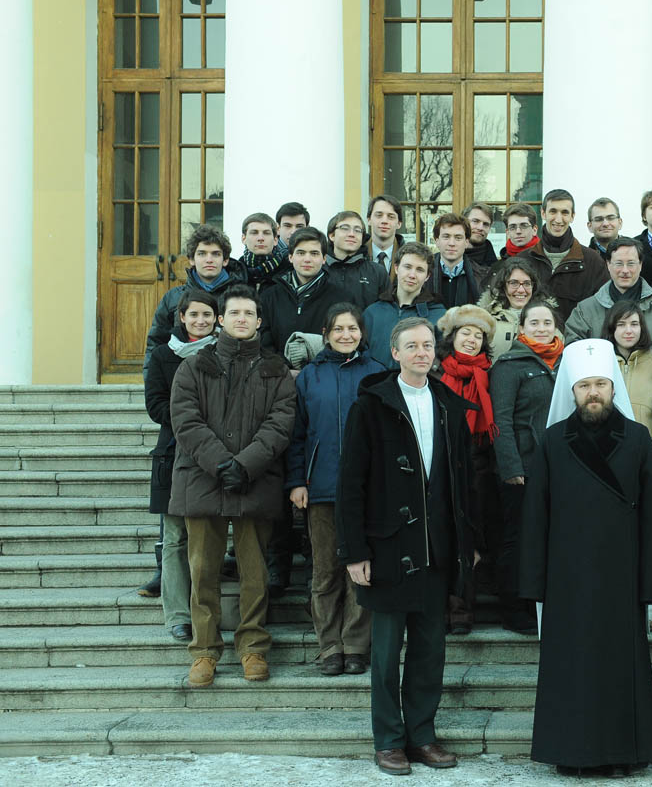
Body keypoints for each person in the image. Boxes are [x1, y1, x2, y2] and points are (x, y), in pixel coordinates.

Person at [519, 338, 652, 776]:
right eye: (584, 386)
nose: (592, 393)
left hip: (621, 573)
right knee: (571, 665)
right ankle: (571, 753)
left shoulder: (637, 438)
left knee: (619, 666)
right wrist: (536, 578)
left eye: (600, 384)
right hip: (567, 575)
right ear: (572, 391)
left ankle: (623, 752)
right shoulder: (553, 441)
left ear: (613, 388)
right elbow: (536, 515)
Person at [336, 317, 477, 776]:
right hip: (387, 549)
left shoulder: (449, 405)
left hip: (437, 547)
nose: (421, 352)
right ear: (394, 353)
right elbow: (350, 483)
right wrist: (354, 551)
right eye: (411, 346)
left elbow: (465, 481)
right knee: (385, 654)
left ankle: (422, 735)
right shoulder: (371, 407)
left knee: (430, 650)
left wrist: (468, 542)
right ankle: (388, 740)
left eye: (427, 345)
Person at [170, 283, 297, 688]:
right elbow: (185, 419)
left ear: (259, 322)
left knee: (254, 573)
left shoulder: (275, 369)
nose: (242, 319)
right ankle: (204, 651)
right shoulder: (194, 367)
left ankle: (253, 646)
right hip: (202, 479)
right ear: (221, 319)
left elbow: (281, 423)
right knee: (203, 571)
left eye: (249, 314)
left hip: (254, 481)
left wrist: (245, 465)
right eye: (235, 313)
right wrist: (220, 462)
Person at [286, 303, 387, 677]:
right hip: (322, 488)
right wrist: (297, 481)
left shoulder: (377, 373)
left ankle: (356, 645)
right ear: (326, 334)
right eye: (339, 329)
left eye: (353, 328)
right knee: (326, 571)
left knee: (359, 569)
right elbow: (297, 434)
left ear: (362, 333)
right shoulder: (309, 377)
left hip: (367, 491)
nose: (347, 335)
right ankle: (330, 646)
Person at [144, 290, 218, 641]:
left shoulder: (225, 353)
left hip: (216, 452)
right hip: (175, 451)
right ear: (182, 317)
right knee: (174, 537)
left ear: (217, 319)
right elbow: (156, 404)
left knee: (210, 538)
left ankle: (207, 610)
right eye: (194, 315)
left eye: (207, 315)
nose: (200, 321)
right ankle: (177, 615)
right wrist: (191, 422)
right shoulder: (163, 355)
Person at [489, 299, 563, 634]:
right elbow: (500, 420)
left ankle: (544, 603)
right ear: (521, 329)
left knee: (549, 539)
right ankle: (513, 609)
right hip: (522, 467)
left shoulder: (564, 362)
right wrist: (510, 467)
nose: (541, 328)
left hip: (556, 468)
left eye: (547, 322)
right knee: (517, 539)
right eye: (534, 323)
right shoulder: (510, 365)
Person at [433, 304, 499, 635]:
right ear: (452, 336)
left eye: (478, 336)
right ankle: (439, 607)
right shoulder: (435, 374)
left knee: (469, 538)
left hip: (477, 465)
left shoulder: (490, 375)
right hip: (440, 462)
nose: (472, 340)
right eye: (465, 333)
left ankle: (462, 609)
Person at [142, 224, 247, 379]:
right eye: (202, 254)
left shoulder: (241, 297)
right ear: (191, 259)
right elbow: (156, 342)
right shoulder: (173, 298)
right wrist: (151, 381)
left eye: (216, 254)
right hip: (180, 380)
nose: (209, 260)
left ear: (225, 260)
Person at [565, 237, 652, 356]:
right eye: (619, 264)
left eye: (631, 263)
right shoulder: (586, 309)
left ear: (640, 265)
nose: (625, 270)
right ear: (608, 264)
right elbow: (573, 350)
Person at [498, 195, 608, 321]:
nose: (558, 219)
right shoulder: (522, 260)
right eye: (553, 211)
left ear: (572, 216)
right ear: (543, 214)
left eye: (565, 212)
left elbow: (602, 310)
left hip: (578, 334)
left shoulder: (592, 261)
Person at [258, 227, 355, 361]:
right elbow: (264, 341)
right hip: (277, 370)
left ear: (324, 259)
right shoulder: (269, 296)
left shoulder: (342, 298)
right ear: (291, 257)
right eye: (301, 253)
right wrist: (283, 368)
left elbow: (345, 340)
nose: (307, 259)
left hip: (324, 369)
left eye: (314, 253)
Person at [363, 242, 447, 369]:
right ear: (396, 268)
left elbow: (443, 362)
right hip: (376, 380)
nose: (412, 275)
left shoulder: (439, 317)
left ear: (427, 276)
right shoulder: (372, 313)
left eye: (419, 270)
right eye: (407, 267)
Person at [603, 301, 652, 453]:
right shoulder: (600, 364)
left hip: (647, 452)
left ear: (642, 327)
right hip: (605, 453)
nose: (628, 330)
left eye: (634, 324)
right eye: (621, 324)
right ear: (612, 328)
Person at [480, 257, 551, 358]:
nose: (521, 290)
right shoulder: (485, 320)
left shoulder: (549, 319)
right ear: (503, 286)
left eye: (527, 283)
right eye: (514, 283)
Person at [324, 210, 387, 311]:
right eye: (345, 228)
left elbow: (385, 311)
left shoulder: (377, 272)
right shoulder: (319, 269)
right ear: (332, 236)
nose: (352, 234)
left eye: (357, 230)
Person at [427, 212, 484, 309]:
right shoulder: (423, 273)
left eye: (458, 238)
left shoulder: (481, 276)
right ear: (437, 241)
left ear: (466, 242)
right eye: (446, 237)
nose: (452, 243)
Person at [240, 212, 291, 291]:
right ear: (244, 239)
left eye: (266, 233)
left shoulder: (290, 271)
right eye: (254, 233)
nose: (260, 238)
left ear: (275, 240)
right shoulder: (234, 272)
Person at [366, 194, 406, 269]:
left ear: (399, 224)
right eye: (379, 215)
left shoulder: (408, 257)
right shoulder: (356, 256)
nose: (384, 221)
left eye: (391, 217)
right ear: (369, 220)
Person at [463, 202, 499, 270]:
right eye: (475, 221)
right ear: (463, 223)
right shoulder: (447, 259)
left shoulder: (497, 268)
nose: (480, 228)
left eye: (485, 224)